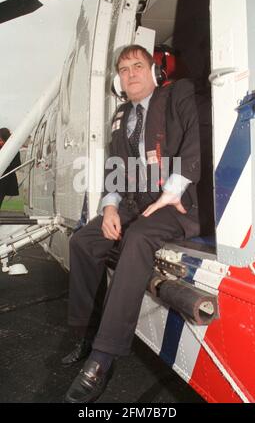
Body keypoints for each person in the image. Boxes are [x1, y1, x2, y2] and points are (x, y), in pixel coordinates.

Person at [64, 45, 200, 403]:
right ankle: (84, 333)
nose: (131, 74)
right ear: (118, 80)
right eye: (124, 70)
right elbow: (115, 168)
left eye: (138, 66)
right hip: (135, 202)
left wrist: (172, 190)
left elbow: (192, 144)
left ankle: (102, 358)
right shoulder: (122, 115)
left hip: (176, 201)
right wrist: (109, 207)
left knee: (138, 237)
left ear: (154, 72)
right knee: (83, 241)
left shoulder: (178, 94)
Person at [0, 128, 21, 209]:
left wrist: (7, 164)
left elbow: (17, 164)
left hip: (5, 179)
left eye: (1, 140)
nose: (0, 142)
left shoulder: (13, 149)